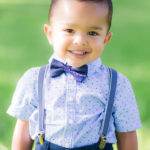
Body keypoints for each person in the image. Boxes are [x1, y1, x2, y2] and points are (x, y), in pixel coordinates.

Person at [7, 0, 142, 150]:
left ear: (106, 39)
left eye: (92, 33)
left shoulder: (116, 84)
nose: (80, 41)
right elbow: (23, 129)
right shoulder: (33, 79)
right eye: (69, 30)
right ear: (50, 34)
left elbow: (127, 133)